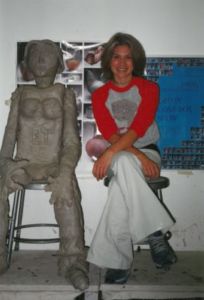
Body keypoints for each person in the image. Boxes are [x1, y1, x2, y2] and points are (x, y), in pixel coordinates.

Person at [87, 32, 177, 284]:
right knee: (125, 162)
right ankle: (154, 233)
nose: (122, 62)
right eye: (116, 57)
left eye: (128, 57)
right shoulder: (99, 95)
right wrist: (117, 152)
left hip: (147, 151)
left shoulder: (149, 89)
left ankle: (118, 263)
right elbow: (110, 134)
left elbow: (139, 127)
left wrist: (114, 153)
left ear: (135, 61)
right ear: (109, 61)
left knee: (119, 185)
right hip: (121, 153)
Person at [0, 40, 89, 290]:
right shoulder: (20, 95)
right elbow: (8, 141)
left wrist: (65, 170)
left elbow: (72, 142)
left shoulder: (64, 94)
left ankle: (73, 261)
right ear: (27, 62)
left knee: (67, 189)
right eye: (35, 54)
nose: (40, 59)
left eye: (47, 54)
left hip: (52, 163)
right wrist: (5, 165)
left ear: (59, 63)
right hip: (24, 164)